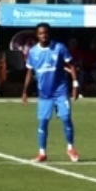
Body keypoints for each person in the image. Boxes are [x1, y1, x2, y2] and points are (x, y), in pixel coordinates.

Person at [22, 23, 80, 163]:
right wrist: (25, 91)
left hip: (60, 91)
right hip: (44, 95)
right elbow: (29, 71)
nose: (44, 35)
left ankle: (70, 148)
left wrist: (75, 84)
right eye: (41, 33)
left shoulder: (59, 48)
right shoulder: (33, 52)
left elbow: (72, 66)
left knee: (66, 118)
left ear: (49, 34)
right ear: (37, 35)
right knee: (43, 123)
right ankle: (42, 153)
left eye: (46, 33)